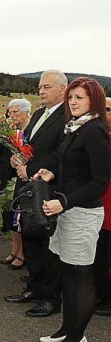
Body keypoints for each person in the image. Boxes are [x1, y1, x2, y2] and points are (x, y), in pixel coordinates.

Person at [33, 77, 110, 342]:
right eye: (71, 97)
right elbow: (74, 167)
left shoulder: (94, 130)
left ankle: (77, 336)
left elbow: (99, 182)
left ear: (93, 100)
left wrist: (64, 202)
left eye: (80, 97)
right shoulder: (75, 127)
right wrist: (51, 173)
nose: (73, 102)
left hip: (82, 212)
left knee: (81, 276)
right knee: (69, 273)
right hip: (67, 210)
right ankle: (67, 330)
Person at [5, 70, 67, 317]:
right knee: (29, 235)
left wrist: (28, 168)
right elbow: (29, 145)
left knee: (47, 243)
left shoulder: (66, 115)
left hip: (47, 186)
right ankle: (35, 287)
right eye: (40, 86)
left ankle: (51, 298)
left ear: (63, 89)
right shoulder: (40, 113)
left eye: (47, 87)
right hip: (27, 186)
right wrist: (18, 158)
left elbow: (60, 153)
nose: (41, 90)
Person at [0, 99, 33, 270]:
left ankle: (23, 253)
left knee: (24, 217)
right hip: (15, 177)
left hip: (31, 179)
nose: (11, 116)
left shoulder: (32, 131)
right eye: (10, 112)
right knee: (12, 215)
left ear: (27, 112)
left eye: (15, 112)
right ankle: (15, 249)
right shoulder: (13, 133)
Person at [94, 96, 111, 317]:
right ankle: (100, 293)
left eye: (108, 109)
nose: (104, 113)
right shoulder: (99, 137)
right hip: (98, 207)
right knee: (99, 256)